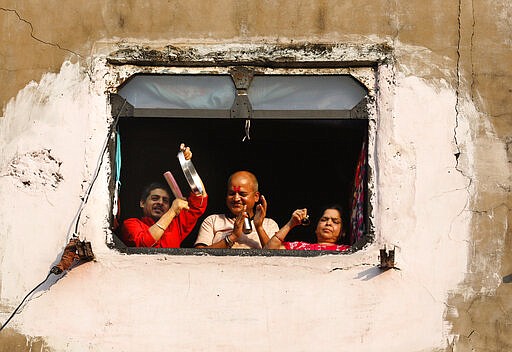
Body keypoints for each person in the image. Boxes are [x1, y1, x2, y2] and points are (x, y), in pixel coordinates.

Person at [119, 144, 208, 248]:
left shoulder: (176, 225)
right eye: (155, 198)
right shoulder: (131, 224)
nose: (160, 203)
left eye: (165, 200)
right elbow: (144, 244)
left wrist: (187, 164)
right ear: (142, 203)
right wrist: (172, 211)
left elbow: (200, 198)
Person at [194, 171, 279, 249]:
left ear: (256, 197)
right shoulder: (213, 221)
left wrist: (259, 227)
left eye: (242, 194)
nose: (236, 198)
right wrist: (232, 237)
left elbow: (278, 258)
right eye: (232, 194)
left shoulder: (269, 224)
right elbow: (198, 255)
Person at [265, 205, 350, 251]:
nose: (328, 223)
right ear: (316, 229)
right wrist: (291, 224)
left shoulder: (349, 251)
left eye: (335, 222)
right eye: (324, 220)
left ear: (343, 232)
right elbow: (269, 250)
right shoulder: (298, 247)